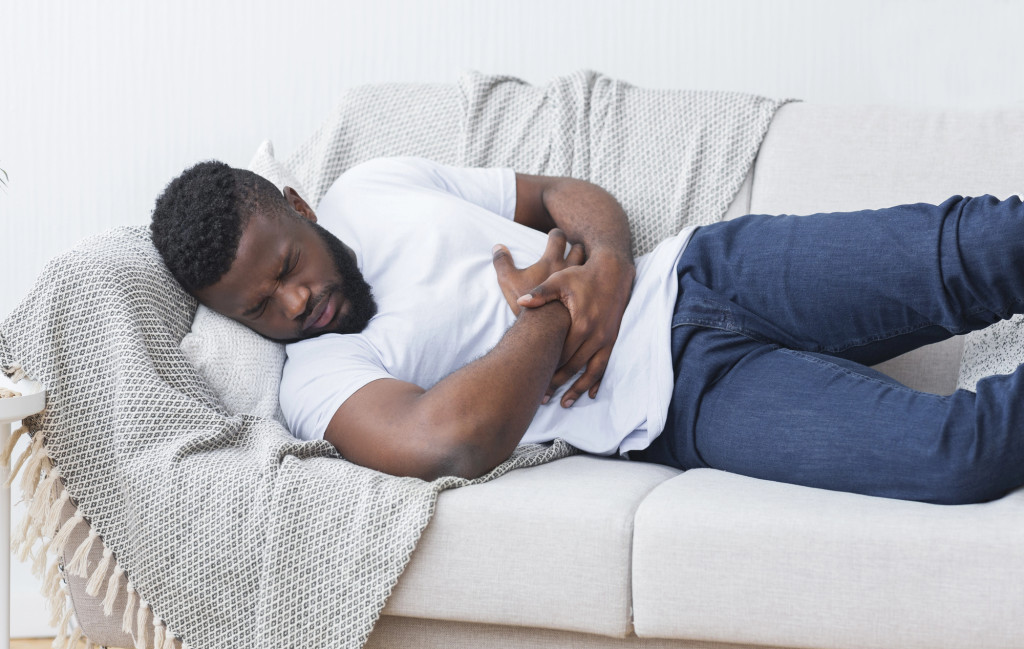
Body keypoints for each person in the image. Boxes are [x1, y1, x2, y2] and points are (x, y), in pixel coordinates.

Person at [150, 156, 1024, 505]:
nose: (294, 303)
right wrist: (552, 308)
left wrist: (605, 257)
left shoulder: (374, 185)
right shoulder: (315, 383)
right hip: (681, 402)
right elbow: (452, 440)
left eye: (287, 267)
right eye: (259, 307)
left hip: (707, 269)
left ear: (300, 207)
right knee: (958, 455)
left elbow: (560, 195)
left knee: (986, 246)